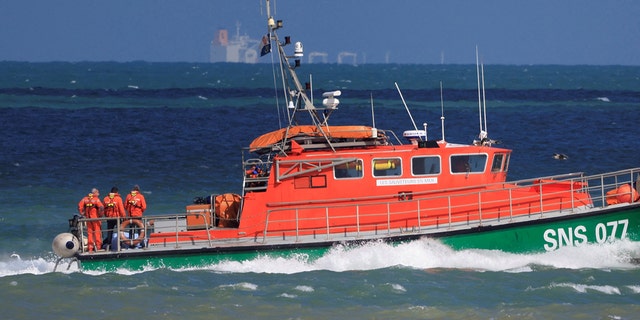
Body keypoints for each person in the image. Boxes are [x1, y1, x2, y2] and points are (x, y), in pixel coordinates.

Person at [77, 188, 104, 252]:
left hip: (88, 219)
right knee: (97, 233)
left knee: (90, 233)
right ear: (95, 193)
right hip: (95, 219)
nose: (98, 194)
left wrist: (82, 213)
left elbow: (79, 206)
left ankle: (90, 248)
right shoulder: (96, 199)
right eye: (98, 192)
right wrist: (100, 215)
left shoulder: (85, 199)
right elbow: (101, 207)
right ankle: (98, 247)